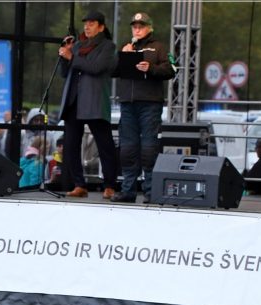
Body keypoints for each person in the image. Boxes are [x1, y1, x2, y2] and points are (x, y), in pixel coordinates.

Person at [112, 12, 176, 203]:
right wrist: (122, 56)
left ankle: (150, 191)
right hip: (128, 104)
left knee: (149, 149)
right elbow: (112, 71)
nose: (137, 29)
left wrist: (151, 68)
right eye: (134, 26)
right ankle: (128, 191)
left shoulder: (159, 47)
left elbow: (171, 70)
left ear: (149, 28)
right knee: (127, 149)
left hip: (150, 104)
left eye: (141, 26)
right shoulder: (127, 46)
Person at [58, 11, 119, 199]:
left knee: (104, 144)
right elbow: (64, 73)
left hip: (94, 100)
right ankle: (79, 184)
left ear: (101, 26)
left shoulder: (107, 46)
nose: (87, 26)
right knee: (71, 144)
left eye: (91, 23)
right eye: (85, 23)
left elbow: (96, 67)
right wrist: (64, 56)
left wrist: (72, 57)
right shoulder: (77, 46)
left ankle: (110, 185)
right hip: (74, 100)